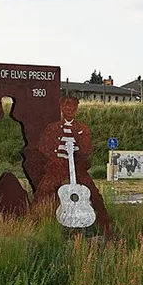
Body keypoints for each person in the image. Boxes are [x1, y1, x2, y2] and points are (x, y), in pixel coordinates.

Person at [33, 95, 111, 233]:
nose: (69, 110)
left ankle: (105, 227)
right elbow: (43, 146)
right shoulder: (52, 128)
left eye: (72, 107)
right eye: (66, 106)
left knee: (93, 193)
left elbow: (87, 149)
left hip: (78, 168)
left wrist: (79, 152)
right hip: (57, 168)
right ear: (61, 108)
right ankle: (36, 224)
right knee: (43, 193)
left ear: (76, 109)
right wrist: (56, 158)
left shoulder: (82, 128)